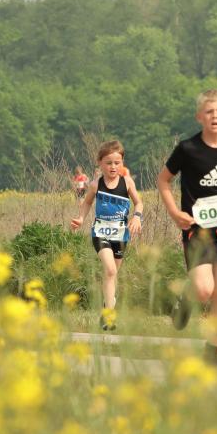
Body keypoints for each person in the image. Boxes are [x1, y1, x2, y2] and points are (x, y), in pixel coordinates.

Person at [156, 89, 217, 368]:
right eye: (209, 111)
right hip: (196, 229)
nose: (214, 116)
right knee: (203, 290)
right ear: (199, 116)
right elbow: (163, 181)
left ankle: (213, 352)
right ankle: (186, 299)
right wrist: (175, 213)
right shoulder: (187, 149)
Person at [71, 140, 143, 331]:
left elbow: (139, 203)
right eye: (108, 163)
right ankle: (109, 316)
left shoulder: (127, 182)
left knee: (113, 274)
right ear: (100, 164)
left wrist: (137, 217)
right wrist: (81, 218)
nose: (113, 167)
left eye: (117, 163)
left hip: (121, 234)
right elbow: (87, 202)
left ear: (122, 163)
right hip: (100, 232)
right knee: (110, 270)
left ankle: (107, 306)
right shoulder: (96, 184)